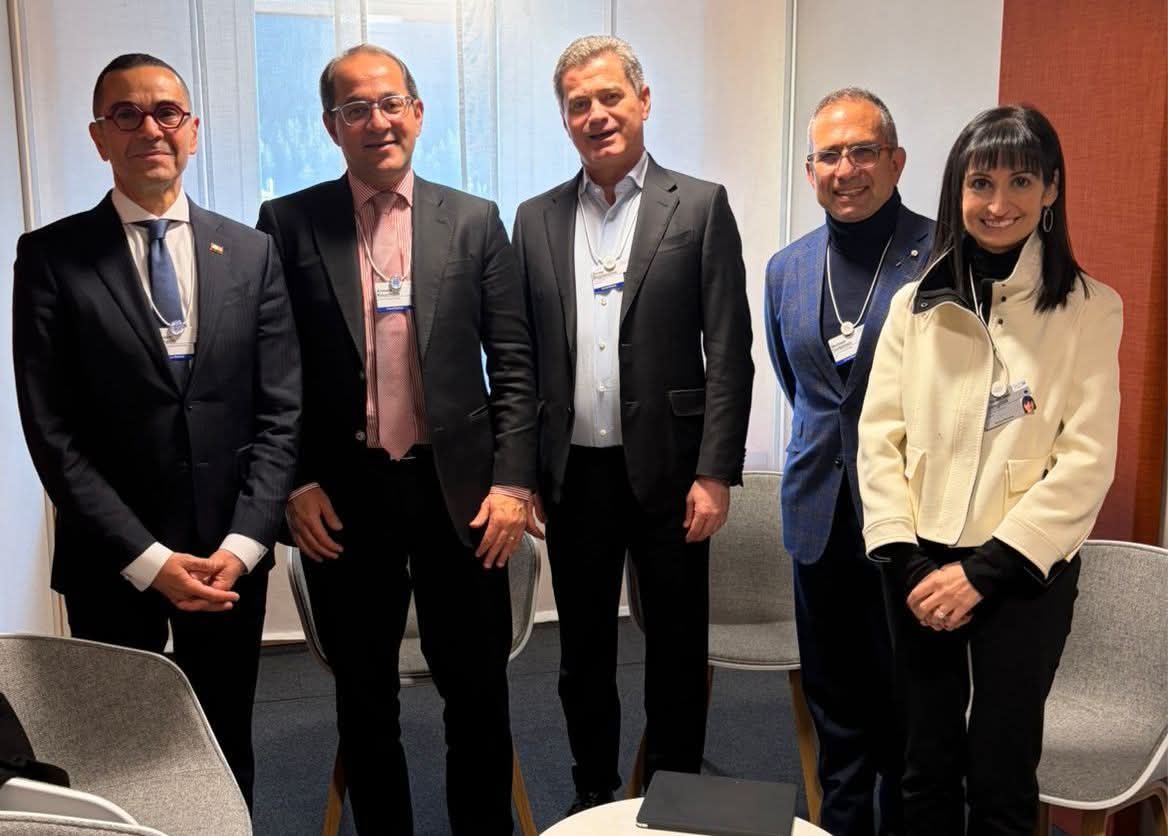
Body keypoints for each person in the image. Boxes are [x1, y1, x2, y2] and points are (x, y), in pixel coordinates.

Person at [256, 44, 537, 835]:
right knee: (364, 699)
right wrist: (293, 482)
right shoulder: (288, 223)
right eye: (355, 109)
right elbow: (270, 368)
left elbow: (514, 363)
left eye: (389, 104)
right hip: (343, 498)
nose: (376, 121)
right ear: (330, 126)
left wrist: (513, 483)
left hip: (464, 497)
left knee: (477, 693)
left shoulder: (474, 220)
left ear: (416, 112)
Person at [12, 53, 301, 807]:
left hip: (227, 560)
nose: (150, 128)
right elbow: (52, 432)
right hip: (112, 561)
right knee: (116, 756)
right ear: (99, 136)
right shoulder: (50, 257)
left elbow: (280, 412)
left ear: (192, 130)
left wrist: (243, 546)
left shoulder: (251, 251)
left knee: (226, 747)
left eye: (167, 112)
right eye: (127, 114)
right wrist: (148, 560)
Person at [857, 105, 1122, 836]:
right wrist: (907, 562)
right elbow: (878, 438)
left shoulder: (1091, 310)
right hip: (918, 563)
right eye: (981, 183)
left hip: (1022, 572)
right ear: (958, 191)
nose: (998, 203)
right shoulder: (914, 305)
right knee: (924, 765)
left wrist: (985, 572)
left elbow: (1086, 459)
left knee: (1003, 774)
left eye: (1020, 182)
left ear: (1051, 190)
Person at [512, 35, 754, 814]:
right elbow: (521, 358)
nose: (596, 114)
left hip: (674, 473)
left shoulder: (701, 205)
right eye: (578, 104)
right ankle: (593, 791)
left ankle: (676, 796)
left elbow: (731, 351)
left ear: (643, 101)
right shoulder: (535, 219)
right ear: (564, 120)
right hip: (573, 474)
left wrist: (715, 472)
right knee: (582, 650)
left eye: (610, 97)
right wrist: (523, 472)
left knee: (677, 648)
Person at [764, 87, 933, 836]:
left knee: (905, 714)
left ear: (895, 160)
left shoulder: (946, 255)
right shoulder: (787, 268)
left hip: (914, 522)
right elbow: (800, 384)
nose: (846, 168)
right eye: (829, 155)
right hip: (818, 518)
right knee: (833, 709)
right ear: (810, 171)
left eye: (863, 150)